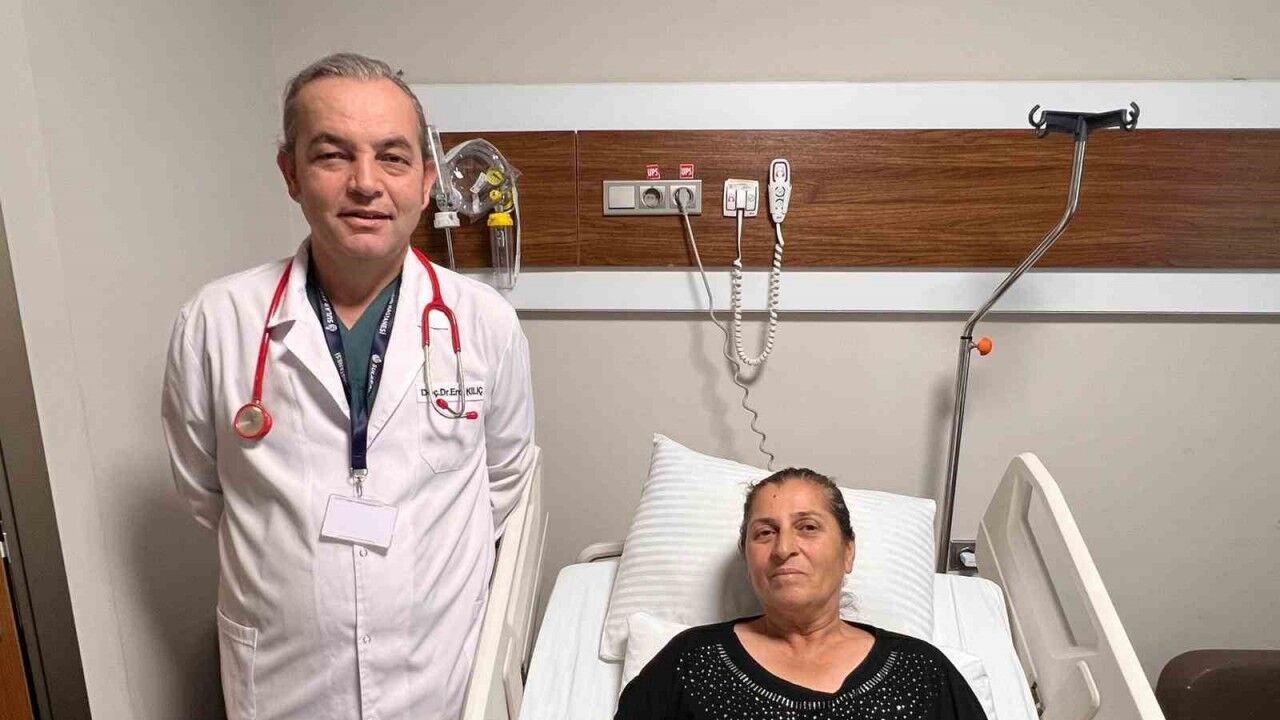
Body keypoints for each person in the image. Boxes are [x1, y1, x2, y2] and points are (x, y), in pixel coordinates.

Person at [161, 52, 537, 720]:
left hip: (435, 678)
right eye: (333, 155)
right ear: (291, 174)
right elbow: (205, 490)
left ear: (426, 181)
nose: (366, 183)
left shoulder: (485, 324)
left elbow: (503, 480)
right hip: (285, 682)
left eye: (392, 157)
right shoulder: (216, 322)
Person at [615, 468, 986, 720]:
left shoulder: (921, 671)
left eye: (807, 527)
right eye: (765, 533)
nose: (783, 548)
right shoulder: (692, 661)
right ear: (747, 556)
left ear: (848, 551)